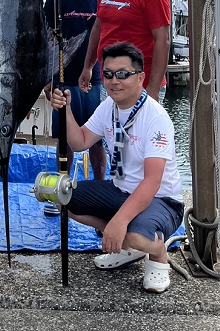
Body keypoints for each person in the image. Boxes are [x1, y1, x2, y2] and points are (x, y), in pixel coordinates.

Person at [51, 42, 183, 293]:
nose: (114, 81)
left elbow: (152, 181)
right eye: (108, 74)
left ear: (140, 77)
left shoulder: (156, 117)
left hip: (161, 199)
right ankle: (127, 246)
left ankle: (157, 254)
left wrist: (119, 221)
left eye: (123, 74)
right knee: (62, 197)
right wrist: (65, 110)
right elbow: (79, 142)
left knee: (136, 235)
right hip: (120, 190)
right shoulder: (108, 107)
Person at [44, 0, 106, 181]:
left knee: (97, 138)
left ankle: (100, 184)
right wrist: (47, 80)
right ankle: (63, 183)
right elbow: (46, 39)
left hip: (95, 79)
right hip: (63, 79)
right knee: (65, 138)